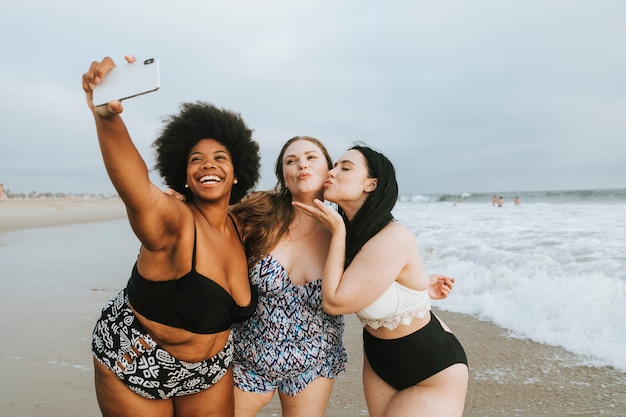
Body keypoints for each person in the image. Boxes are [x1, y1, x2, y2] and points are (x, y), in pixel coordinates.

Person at [83, 56, 261, 417]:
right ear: (184, 175)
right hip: (134, 358)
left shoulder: (243, 224)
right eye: (196, 159)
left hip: (209, 371)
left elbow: (298, 210)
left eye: (220, 157)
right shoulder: (173, 221)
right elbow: (135, 186)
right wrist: (107, 119)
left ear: (237, 172)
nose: (208, 164)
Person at [293, 144, 468, 417]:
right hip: (378, 361)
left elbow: (335, 302)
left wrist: (338, 232)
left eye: (346, 167)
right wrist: (424, 284)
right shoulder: (356, 235)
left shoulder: (393, 236)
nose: (333, 171)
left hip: (431, 369)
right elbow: (389, 274)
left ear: (371, 183)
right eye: (334, 165)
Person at [229, 136, 347, 417]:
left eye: (310, 158)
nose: (301, 165)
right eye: (291, 161)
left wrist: (419, 286)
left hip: (314, 363)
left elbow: (376, 269)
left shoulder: (345, 229)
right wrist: (182, 202)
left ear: (329, 169)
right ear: (283, 174)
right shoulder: (260, 211)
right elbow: (209, 226)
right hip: (246, 358)